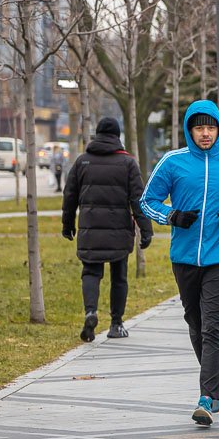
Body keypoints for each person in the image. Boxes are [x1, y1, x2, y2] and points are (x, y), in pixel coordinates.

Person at [141, 100, 219, 427]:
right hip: (184, 257)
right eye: (199, 127)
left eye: (211, 128)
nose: (205, 133)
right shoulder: (173, 162)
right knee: (194, 322)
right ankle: (215, 386)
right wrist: (172, 216)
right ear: (190, 130)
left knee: (212, 326)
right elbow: (147, 202)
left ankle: (206, 397)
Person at [61, 117, 153, 342]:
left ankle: (91, 311)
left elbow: (69, 195)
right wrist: (146, 230)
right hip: (119, 231)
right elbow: (138, 200)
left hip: (89, 231)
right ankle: (116, 324)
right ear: (117, 136)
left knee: (91, 272)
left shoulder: (82, 161)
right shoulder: (128, 163)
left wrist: (67, 225)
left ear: (97, 135)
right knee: (119, 277)